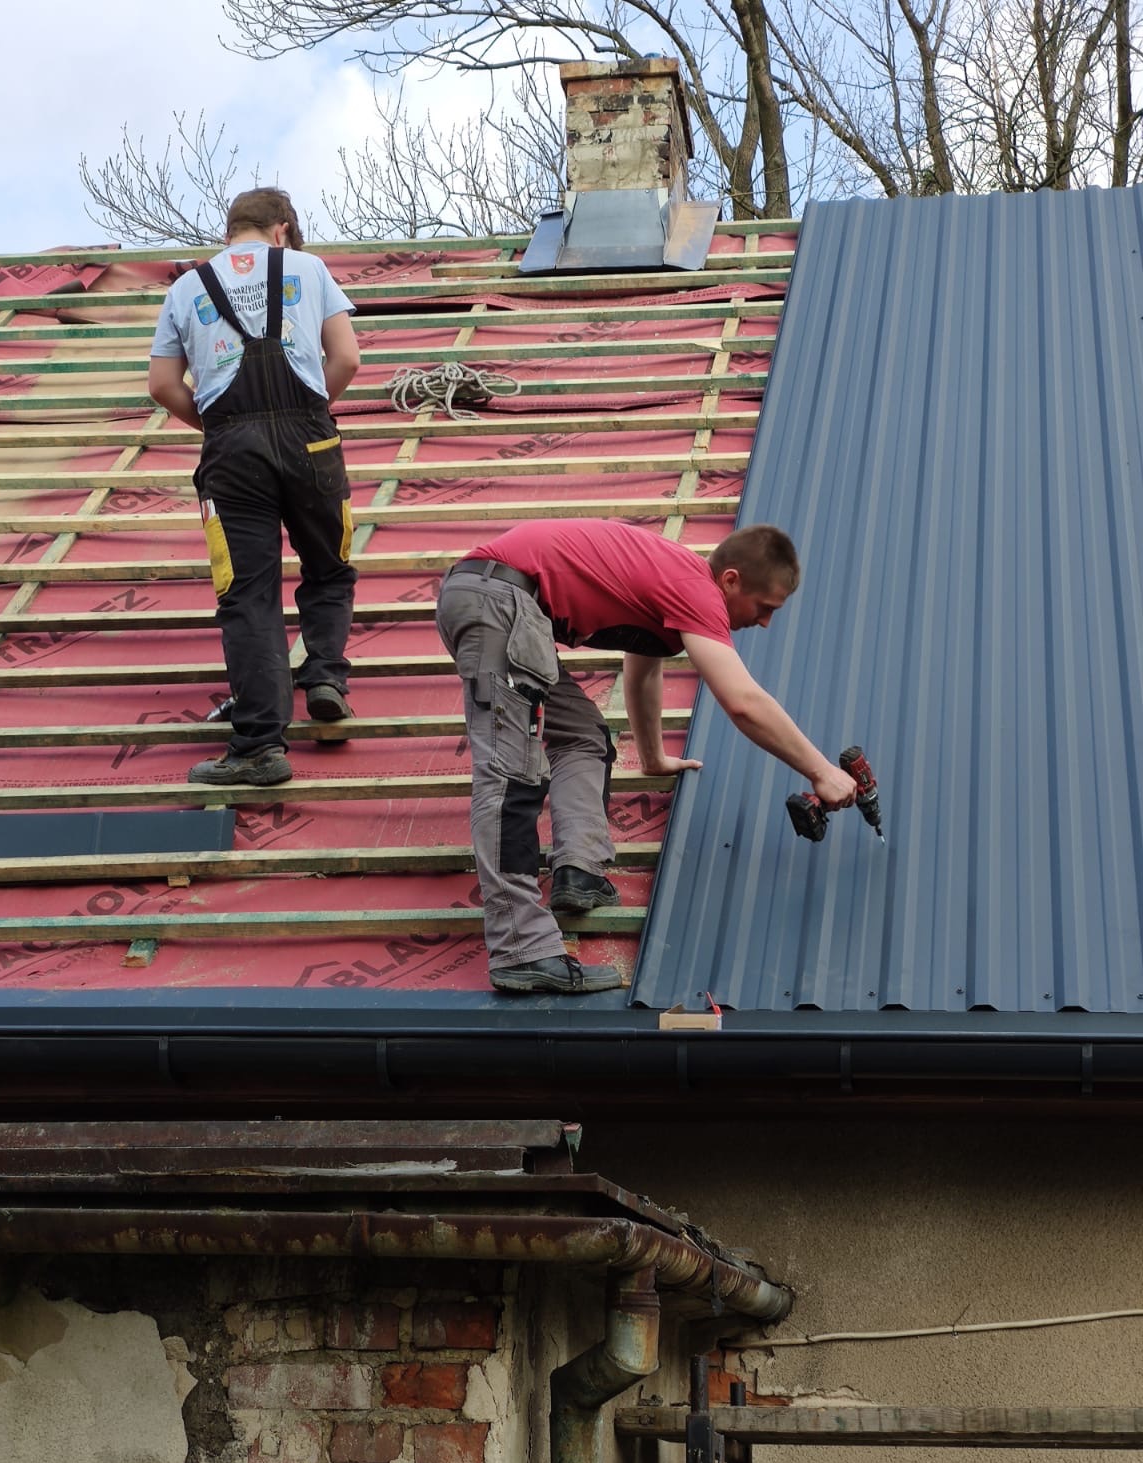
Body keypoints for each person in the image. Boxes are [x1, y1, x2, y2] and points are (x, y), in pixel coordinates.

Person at [435, 517, 857, 994]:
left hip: (500, 599)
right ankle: (520, 951)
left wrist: (653, 759)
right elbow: (742, 701)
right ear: (731, 579)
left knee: (584, 736)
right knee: (510, 775)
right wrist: (821, 771)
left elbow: (641, 673)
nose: (764, 622)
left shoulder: (667, 587)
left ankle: (578, 869)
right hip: (500, 599)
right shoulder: (695, 589)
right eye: (764, 607)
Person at [148, 187, 362, 785]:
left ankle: (259, 748)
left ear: (230, 233)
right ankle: (324, 676)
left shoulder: (187, 286)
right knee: (329, 565)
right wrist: (311, 415)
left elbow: (162, 384)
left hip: (231, 452)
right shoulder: (309, 267)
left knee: (247, 595)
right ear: (281, 231)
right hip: (311, 438)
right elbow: (345, 359)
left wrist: (220, 426)